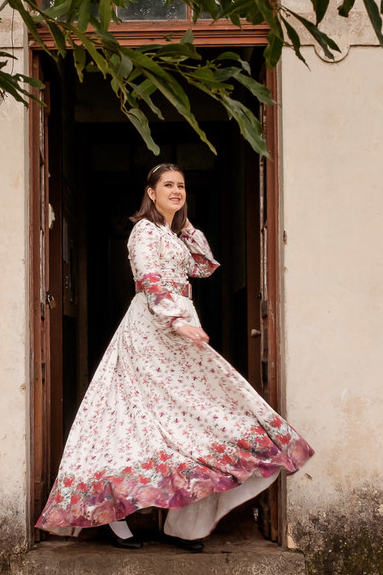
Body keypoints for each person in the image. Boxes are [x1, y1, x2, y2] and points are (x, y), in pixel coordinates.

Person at [35, 163, 314, 551]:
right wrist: (175, 319)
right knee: (139, 421)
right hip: (154, 326)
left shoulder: (173, 234)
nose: (176, 190)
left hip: (181, 320)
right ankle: (117, 518)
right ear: (150, 192)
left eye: (181, 185)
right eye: (167, 185)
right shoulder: (144, 231)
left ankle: (185, 524)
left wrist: (183, 225)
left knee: (193, 417)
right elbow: (150, 280)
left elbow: (204, 266)